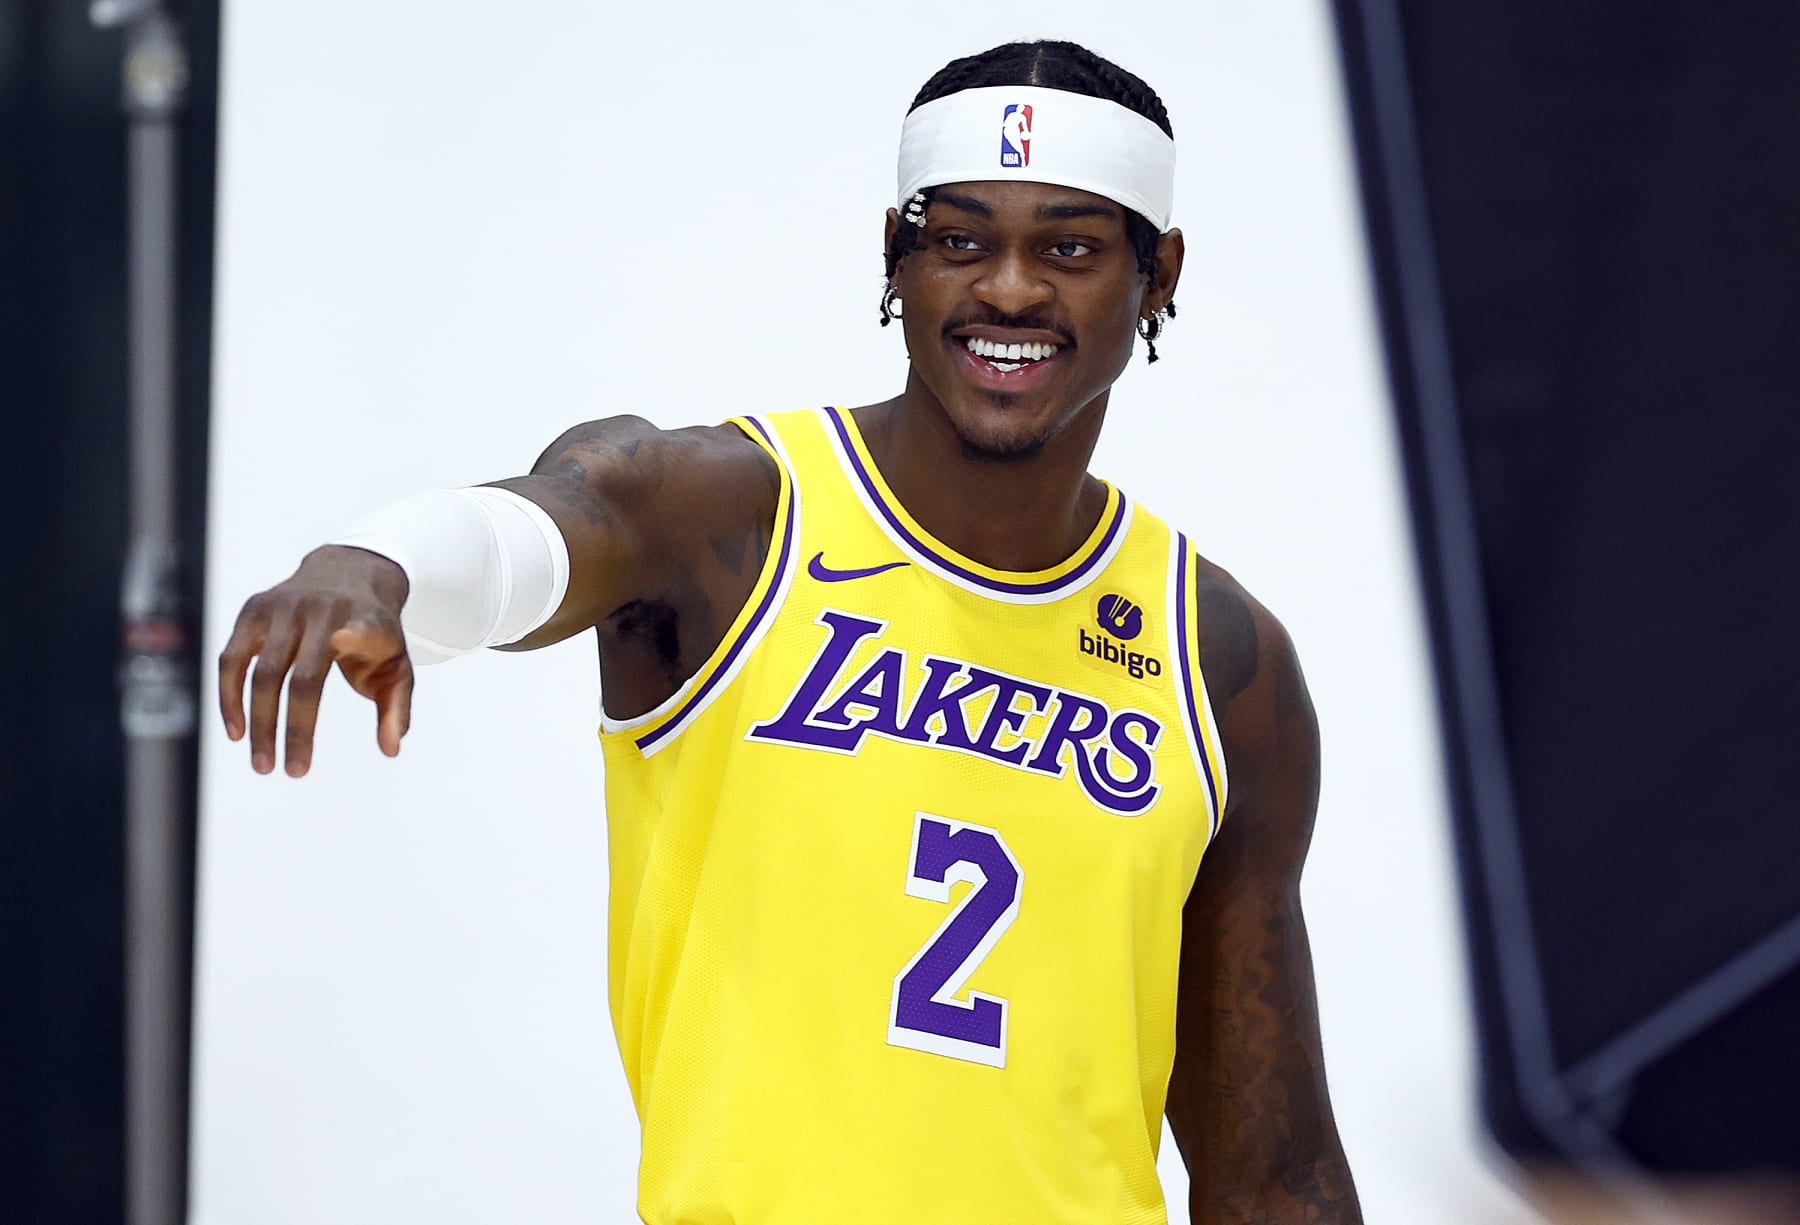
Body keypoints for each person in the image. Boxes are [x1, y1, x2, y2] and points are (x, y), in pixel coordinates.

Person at [218, 39, 1362, 1225]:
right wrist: (376, 566)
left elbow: (1272, 1176)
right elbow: (543, 529)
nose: (1011, 291)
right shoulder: (734, 517)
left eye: (1069, 248)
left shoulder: (1219, 659)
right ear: (895, 259)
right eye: (959, 241)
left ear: (1157, 273)